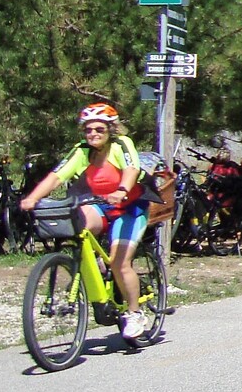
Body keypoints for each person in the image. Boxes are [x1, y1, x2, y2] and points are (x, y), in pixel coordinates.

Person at [19, 103, 153, 343]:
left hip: (130, 206)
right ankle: (94, 267)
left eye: (99, 129)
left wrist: (122, 190)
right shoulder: (82, 151)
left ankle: (135, 314)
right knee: (77, 222)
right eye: (88, 130)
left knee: (120, 263)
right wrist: (33, 198)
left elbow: (131, 168)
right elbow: (56, 177)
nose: (93, 134)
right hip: (102, 205)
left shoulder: (121, 145)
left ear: (110, 129)